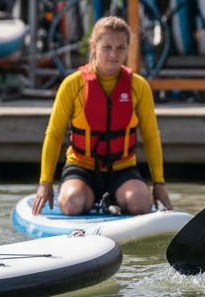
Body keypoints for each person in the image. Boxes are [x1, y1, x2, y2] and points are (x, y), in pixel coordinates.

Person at [31, 16, 171, 216]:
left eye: (121, 48)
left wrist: (159, 184)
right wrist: (45, 183)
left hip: (122, 170)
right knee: (72, 202)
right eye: (107, 47)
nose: (114, 54)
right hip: (82, 168)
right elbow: (54, 134)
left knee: (140, 203)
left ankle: (116, 200)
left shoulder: (139, 86)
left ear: (128, 49)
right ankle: (88, 198)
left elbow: (151, 136)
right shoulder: (73, 84)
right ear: (94, 46)